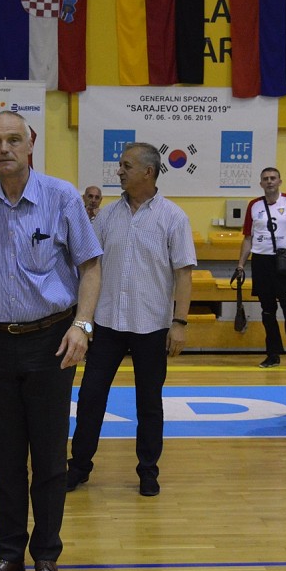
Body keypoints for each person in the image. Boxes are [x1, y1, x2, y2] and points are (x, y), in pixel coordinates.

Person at [0, 110, 102, 571]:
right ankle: (7, 554)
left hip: (51, 340)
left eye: (13, 139)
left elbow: (91, 266)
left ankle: (47, 557)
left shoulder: (61, 196)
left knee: (48, 457)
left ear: (30, 142)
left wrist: (82, 325)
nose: (4, 149)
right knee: (3, 458)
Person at [67, 143, 195, 497]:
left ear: (148, 172)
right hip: (106, 324)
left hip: (152, 326)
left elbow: (184, 274)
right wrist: (85, 320)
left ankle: (148, 471)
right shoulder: (107, 216)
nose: (119, 171)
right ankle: (78, 467)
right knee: (91, 397)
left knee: (149, 403)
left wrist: (179, 323)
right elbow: (90, 267)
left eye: (125, 165)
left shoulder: (173, 217)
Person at [234, 167, 286, 368]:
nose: (269, 182)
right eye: (265, 179)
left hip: (284, 262)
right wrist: (241, 263)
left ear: (279, 181)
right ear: (261, 183)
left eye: (273, 178)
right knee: (267, 311)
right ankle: (272, 355)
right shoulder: (254, 206)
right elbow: (248, 237)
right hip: (261, 262)